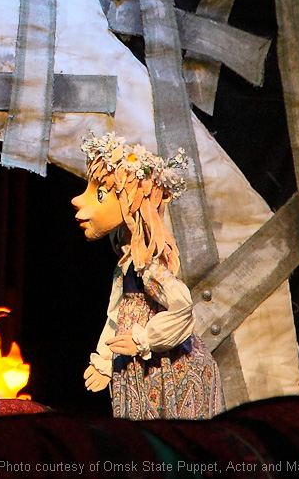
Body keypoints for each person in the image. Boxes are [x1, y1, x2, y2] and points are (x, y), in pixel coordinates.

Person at [73, 132, 223, 419]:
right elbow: (117, 314)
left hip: (165, 371)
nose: (79, 201)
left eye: (100, 194)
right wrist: (104, 361)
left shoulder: (148, 265)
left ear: (131, 201)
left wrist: (145, 340)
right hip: (137, 369)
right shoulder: (127, 263)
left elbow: (182, 306)